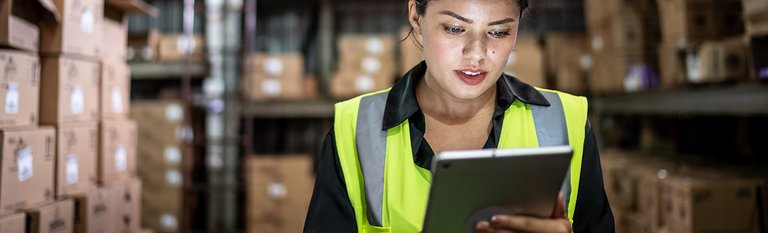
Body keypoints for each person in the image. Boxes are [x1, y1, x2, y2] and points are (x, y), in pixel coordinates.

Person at [304, 0, 615, 232]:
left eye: (499, 31)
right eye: (454, 28)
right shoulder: (356, 127)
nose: (477, 53)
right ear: (416, 15)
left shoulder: (566, 121)